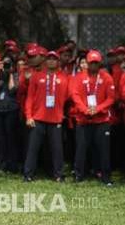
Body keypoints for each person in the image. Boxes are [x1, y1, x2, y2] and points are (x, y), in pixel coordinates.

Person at [23, 51, 70, 182]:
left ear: (58, 62)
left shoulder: (64, 77)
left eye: (54, 59)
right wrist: (29, 116)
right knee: (33, 148)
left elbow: (68, 97)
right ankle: (28, 174)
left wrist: (62, 112)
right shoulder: (36, 76)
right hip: (37, 119)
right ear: (45, 61)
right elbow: (30, 98)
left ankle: (59, 175)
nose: (51, 61)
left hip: (56, 119)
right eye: (49, 59)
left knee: (57, 149)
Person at [71, 50, 115, 186]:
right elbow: (75, 95)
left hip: (102, 120)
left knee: (103, 149)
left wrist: (98, 109)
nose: (94, 65)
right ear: (87, 63)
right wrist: (85, 109)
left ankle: (106, 177)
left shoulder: (107, 77)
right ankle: (78, 175)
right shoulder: (78, 77)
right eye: (91, 63)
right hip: (83, 119)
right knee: (81, 148)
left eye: (96, 63)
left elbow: (111, 98)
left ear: (100, 63)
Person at [0, 55, 20, 173]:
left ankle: (12, 165)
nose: (6, 65)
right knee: (1, 138)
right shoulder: (0, 75)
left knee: (10, 137)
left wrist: (11, 73)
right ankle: (2, 164)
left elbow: (13, 89)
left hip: (11, 110)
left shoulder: (15, 75)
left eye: (8, 63)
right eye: (4, 63)